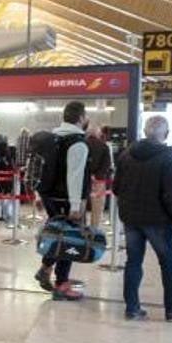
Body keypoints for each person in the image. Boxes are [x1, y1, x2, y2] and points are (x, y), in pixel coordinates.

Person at [113, 116, 172, 322]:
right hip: (157, 220)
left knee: (133, 262)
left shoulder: (126, 155)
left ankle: (132, 309)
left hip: (131, 218)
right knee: (169, 262)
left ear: (145, 132)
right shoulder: (167, 157)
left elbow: (116, 188)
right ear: (166, 134)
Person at [33, 102, 90, 301]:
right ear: (82, 118)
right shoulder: (77, 143)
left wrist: (38, 195)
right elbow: (74, 176)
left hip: (50, 196)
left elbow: (39, 170)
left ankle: (46, 268)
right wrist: (76, 206)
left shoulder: (52, 138)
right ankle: (62, 285)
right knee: (70, 239)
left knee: (58, 235)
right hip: (67, 199)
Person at [85, 125, 113, 227]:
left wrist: (88, 175)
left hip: (83, 180)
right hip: (99, 181)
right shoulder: (103, 146)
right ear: (98, 134)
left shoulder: (82, 144)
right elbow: (106, 164)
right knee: (97, 208)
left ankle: (80, 230)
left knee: (81, 207)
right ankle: (94, 230)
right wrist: (97, 176)